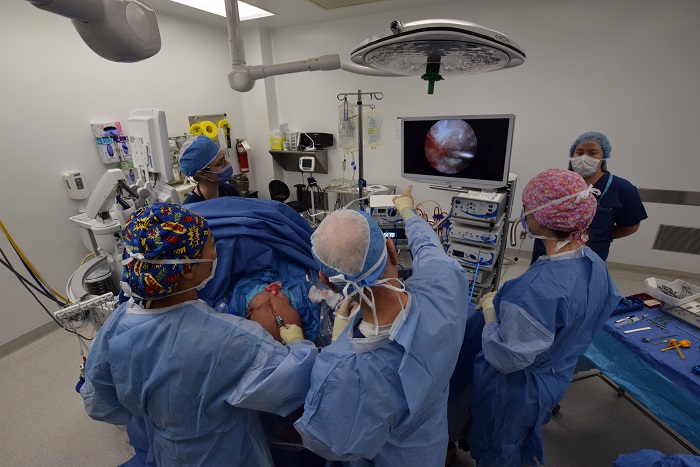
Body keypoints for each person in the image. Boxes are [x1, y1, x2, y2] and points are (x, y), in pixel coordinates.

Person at [79, 202, 318, 466]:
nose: (218, 254)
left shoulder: (116, 326)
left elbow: (100, 403)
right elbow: (297, 381)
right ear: (188, 268)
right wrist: (297, 338)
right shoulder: (230, 339)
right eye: (213, 245)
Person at [294, 186, 470, 466]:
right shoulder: (444, 283)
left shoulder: (344, 370)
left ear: (326, 281)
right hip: (428, 448)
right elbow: (428, 248)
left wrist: (331, 340)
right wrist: (407, 210)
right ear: (391, 250)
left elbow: (333, 445)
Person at [468, 169, 622, 467]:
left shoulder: (535, 290)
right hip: (556, 376)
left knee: (500, 446)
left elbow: (505, 356)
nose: (524, 214)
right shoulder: (593, 263)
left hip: (515, 391)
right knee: (522, 436)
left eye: (526, 207)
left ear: (543, 217)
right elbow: (589, 313)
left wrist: (490, 310)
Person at [531, 131, 647, 263]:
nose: (584, 157)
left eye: (592, 153)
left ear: (603, 156)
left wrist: (599, 236)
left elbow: (629, 227)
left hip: (589, 256)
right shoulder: (555, 183)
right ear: (572, 155)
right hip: (546, 254)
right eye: (579, 153)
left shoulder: (622, 189)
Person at [179, 135, 239, 204]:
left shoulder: (229, 190)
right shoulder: (191, 209)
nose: (227, 163)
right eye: (219, 163)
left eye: (224, 158)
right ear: (202, 174)